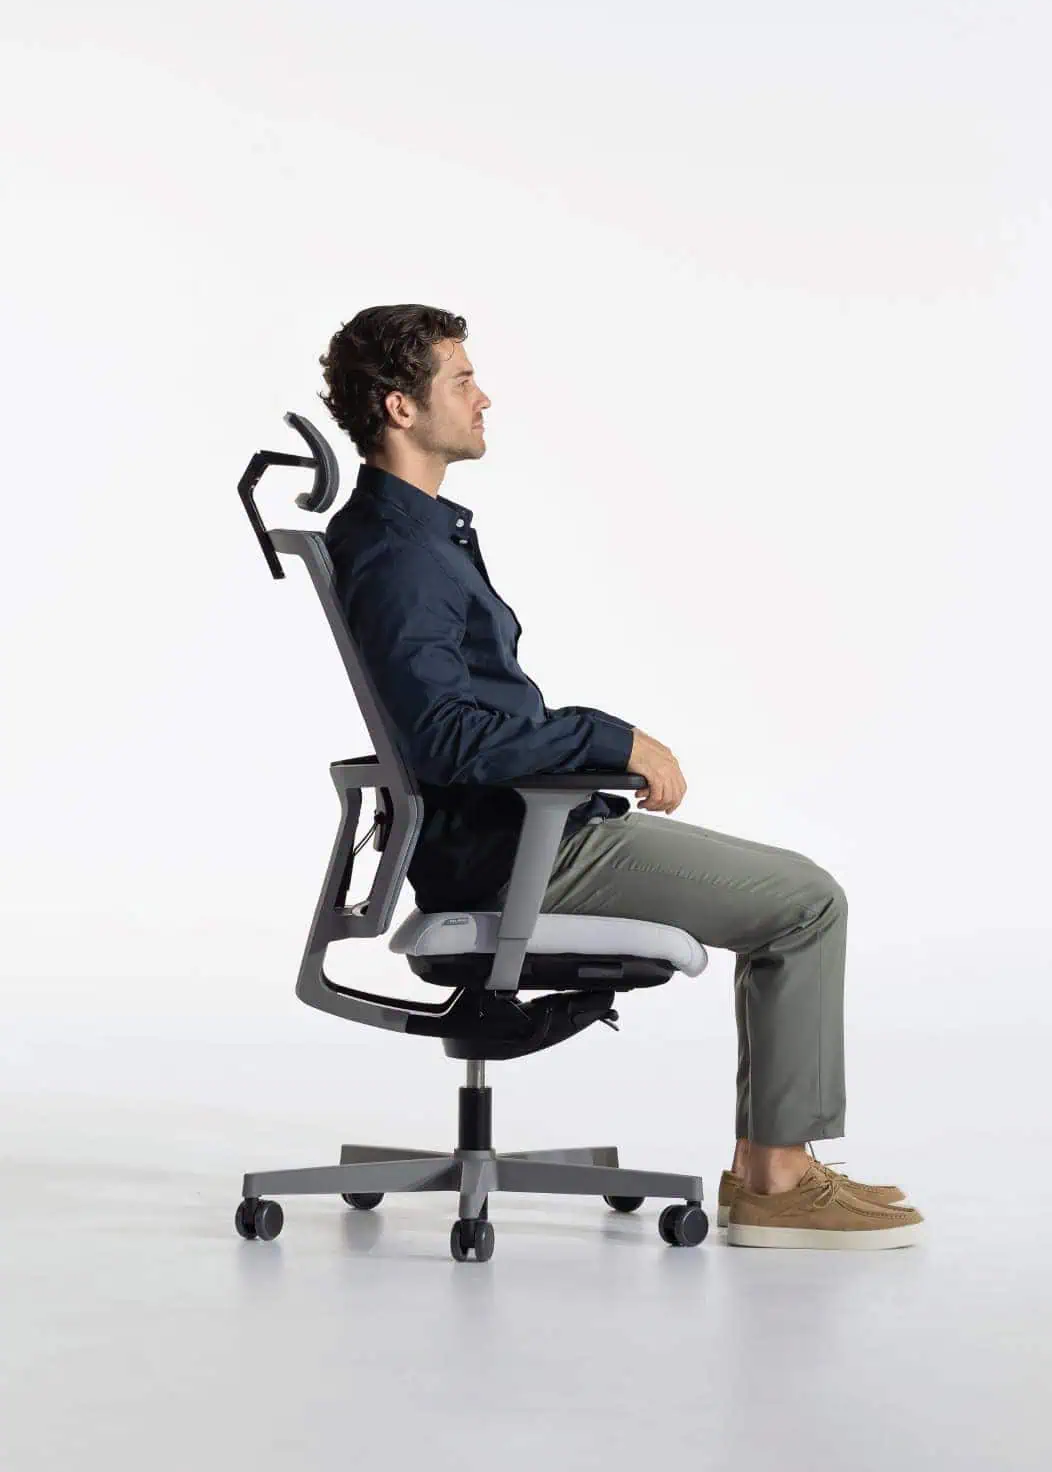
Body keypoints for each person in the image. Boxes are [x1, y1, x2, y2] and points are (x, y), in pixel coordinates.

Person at [319, 303, 924, 1251]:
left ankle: (774, 1170)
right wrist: (612, 739)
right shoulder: (400, 554)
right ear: (401, 406)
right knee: (806, 904)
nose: (485, 397)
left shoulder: (415, 535)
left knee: (796, 894)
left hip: (519, 835)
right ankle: (777, 1180)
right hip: (520, 853)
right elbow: (444, 739)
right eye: (462, 379)